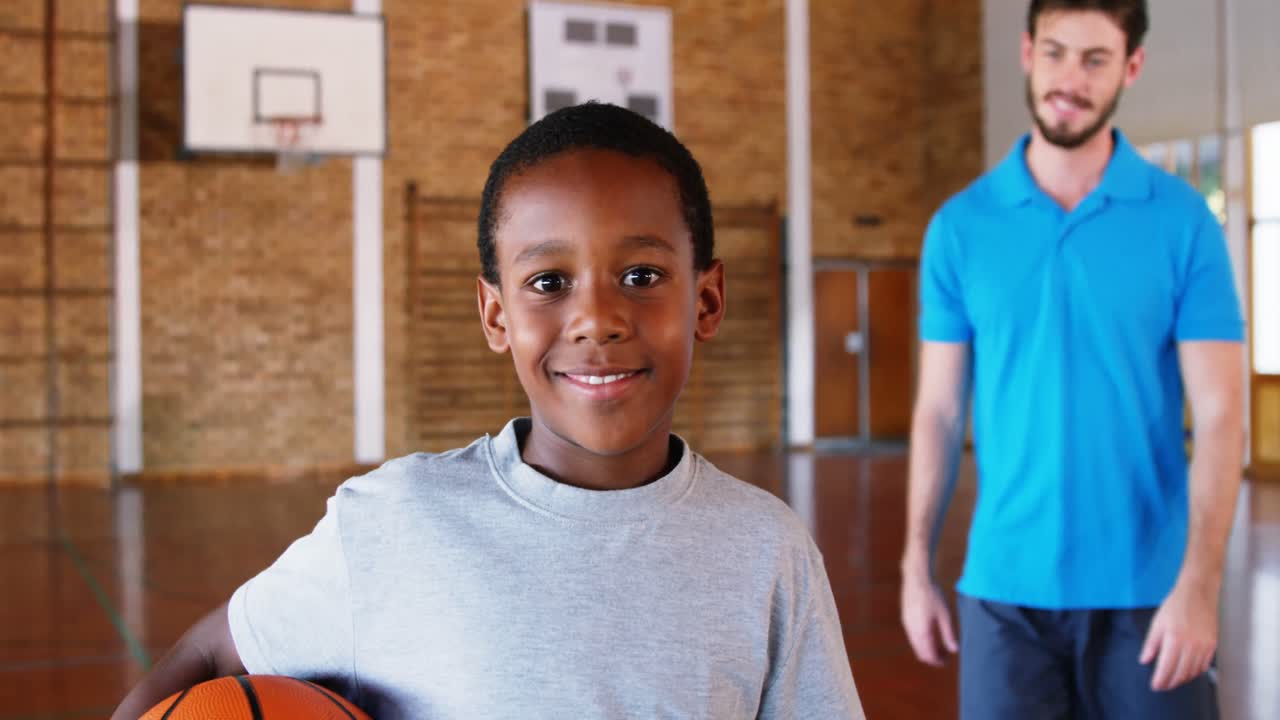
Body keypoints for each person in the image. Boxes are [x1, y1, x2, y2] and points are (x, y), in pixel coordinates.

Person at [112, 102, 864, 719]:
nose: (595, 318)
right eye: (548, 283)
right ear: (495, 314)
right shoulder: (394, 521)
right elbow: (213, 658)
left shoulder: (768, 551)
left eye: (641, 274)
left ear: (706, 300)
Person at [899, 1, 1245, 718]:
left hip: (1151, 592)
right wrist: (914, 565)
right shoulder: (961, 228)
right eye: (1056, 52)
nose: (1070, 79)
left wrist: (1200, 589)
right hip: (1005, 591)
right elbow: (937, 411)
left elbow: (1219, 416)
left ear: (1132, 67)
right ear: (1027, 51)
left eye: (1096, 59)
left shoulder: (1182, 223)